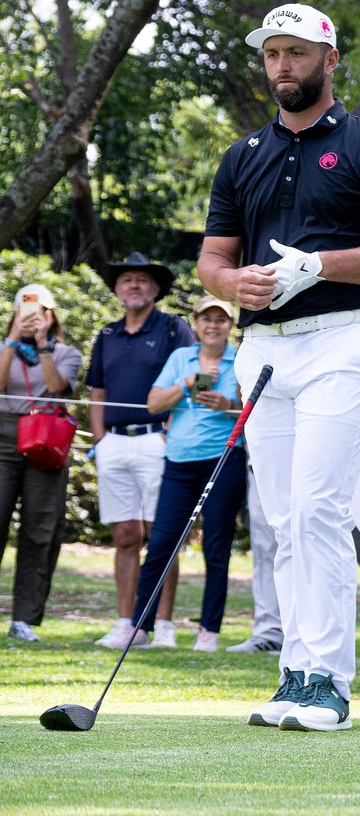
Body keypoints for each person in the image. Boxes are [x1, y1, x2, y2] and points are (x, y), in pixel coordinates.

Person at [199, 3, 360, 731]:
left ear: (331, 60)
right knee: (283, 518)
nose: (282, 67)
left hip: (344, 341)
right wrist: (234, 285)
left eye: (296, 52)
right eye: (272, 54)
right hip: (265, 348)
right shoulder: (242, 156)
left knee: (320, 510)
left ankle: (329, 680)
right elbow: (213, 258)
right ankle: (294, 674)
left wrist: (321, 264)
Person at [87, 253, 194, 649]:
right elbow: (96, 391)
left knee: (160, 533)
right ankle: (126, 623)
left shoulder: (172, 328)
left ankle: (162, 624)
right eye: (126, 279)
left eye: (142, 280)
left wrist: (168, 433)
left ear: (156, 289)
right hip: (113, 442)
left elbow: (188, 378)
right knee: (126, 534)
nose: (134, 285)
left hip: (156, 439)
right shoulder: (107, 335)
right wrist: (98, 439)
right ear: (117, 289)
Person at [129, 296, 246, 651]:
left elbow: (256, 411)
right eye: (206, 319)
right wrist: (186, 384)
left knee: (215, 546)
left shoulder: (240, 360)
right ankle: (139, 627)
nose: (213, 325)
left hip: (223, 461)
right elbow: (152, 404)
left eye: (221, 320)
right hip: (179, 461)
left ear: (230, 325)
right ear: (195, 322)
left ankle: (209, 630)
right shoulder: (181, 358)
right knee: (162, 543)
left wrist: (228, 406)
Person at [0, 284, 82, 642]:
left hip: (46, 438)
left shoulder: (67, 353)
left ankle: (24, 620)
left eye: (39, 313)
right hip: (3, 435)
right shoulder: (4, 349)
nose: (32, 319)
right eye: (24, 312)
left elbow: (55, 386)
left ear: (51, 316)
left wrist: (44, 343)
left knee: (40, 530)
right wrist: (14, 338)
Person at [225, 465, 283, 653]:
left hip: (305, 460)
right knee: (264, 547)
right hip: (260, 463)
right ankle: (269, 632)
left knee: (308, 544)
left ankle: (306, 635)